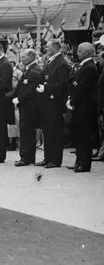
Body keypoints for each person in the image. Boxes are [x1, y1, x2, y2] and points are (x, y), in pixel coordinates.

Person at [35, 39, 70, 169]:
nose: (46, 49)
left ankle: (55, 160)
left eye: (48, 46)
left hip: (55, 103)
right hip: (47, 103)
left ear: (56, 47)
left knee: (55, 132)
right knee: (48, 131)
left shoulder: (61, 63)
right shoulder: (51, 61)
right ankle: (48, 157)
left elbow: (62, 85)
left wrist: (46, 87)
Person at [66, 42, 98, 173]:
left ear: (86, 52)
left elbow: (82, 87)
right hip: (79, 105)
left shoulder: (89, 67)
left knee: (84, 136)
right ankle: (79, 161)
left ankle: (84, 164)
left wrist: (72, 100)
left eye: (79, 51)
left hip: (85, 106)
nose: (77, 53)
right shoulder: (83, 66)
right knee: (78, 135)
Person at [8, 49, 41, 166]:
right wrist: (9, 96)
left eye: (24, 57)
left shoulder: (34, 70)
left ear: (31, 57)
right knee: (26, 131)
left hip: (29, 105)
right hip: (25, 105)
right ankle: (28, 157)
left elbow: (31, 89)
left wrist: (19, 99)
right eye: (21, 57)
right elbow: (20, 87)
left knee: (26, 131)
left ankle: (26, 157)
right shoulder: (28, 70)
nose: (22, 59)